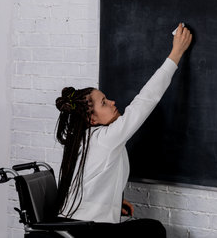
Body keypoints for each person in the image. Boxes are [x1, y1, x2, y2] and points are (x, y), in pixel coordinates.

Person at [54, 23, 193, 237]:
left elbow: (89, 182)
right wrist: (176, 53)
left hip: (72, 223)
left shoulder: (84, 139)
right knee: (153, 230)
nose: (112, 102)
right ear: (91, 119)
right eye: (103, 103)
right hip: (85, 230)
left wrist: (111, 204)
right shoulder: (105, 139)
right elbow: (146, 100)